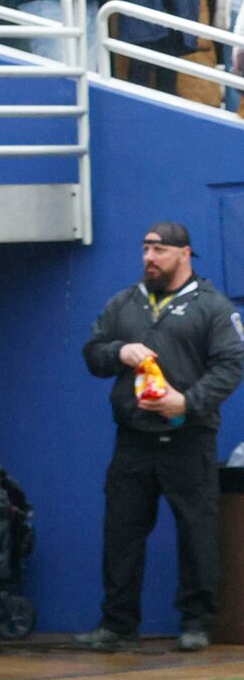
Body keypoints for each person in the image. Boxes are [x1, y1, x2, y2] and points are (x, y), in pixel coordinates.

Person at [79, 223, 244, 652]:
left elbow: (230, 366)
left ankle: (196, 622)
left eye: (159, 249)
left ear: (184, 254)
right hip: (133, 440)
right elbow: (93, 354)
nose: (149, 257)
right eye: (145, 248)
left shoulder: (212, 307)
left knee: (197, 532)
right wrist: (119, 351)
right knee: (121, 534)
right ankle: (117, 624)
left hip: (189, 439)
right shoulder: (124, 303)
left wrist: (185, 402)